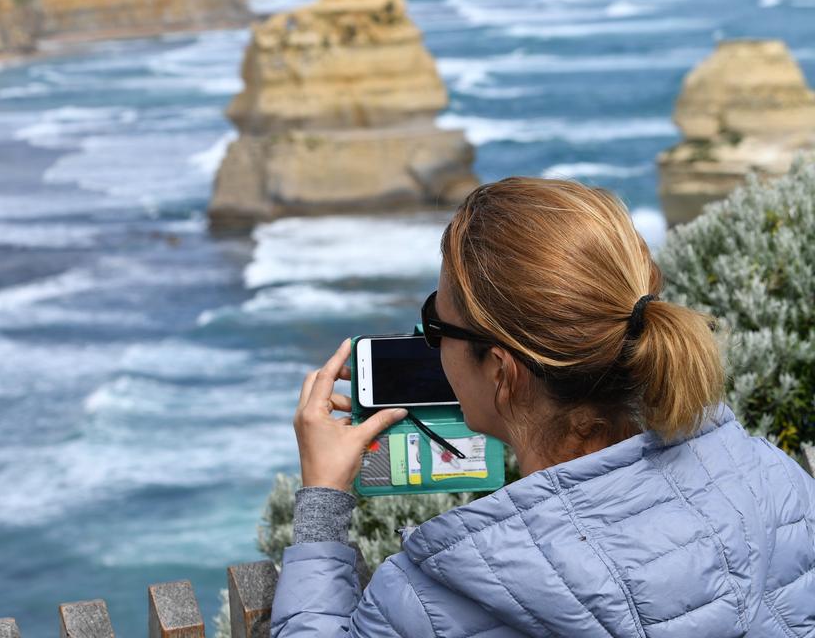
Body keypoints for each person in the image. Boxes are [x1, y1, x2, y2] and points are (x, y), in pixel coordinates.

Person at [273, 177, 815, 637]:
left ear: (502, 372)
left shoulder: (431, 598)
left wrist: (322, 502)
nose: (429, 345)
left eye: (436, 327)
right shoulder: (777, 486)